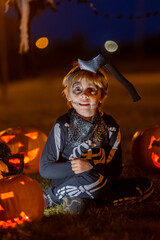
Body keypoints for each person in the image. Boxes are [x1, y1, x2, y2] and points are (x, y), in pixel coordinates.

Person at [39, 60, 153, 213]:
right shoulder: (63, 125)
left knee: (143, 185)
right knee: (97, 183)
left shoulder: (110, 126)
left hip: (99, 177)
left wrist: (91, 166)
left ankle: (80, 202)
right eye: (77, 90)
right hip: (66, 180)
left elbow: (115, 168)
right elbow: (45, 169)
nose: (84, 95)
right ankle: (50, 197)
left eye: (91, 90)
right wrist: (76, 169)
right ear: (68, 95)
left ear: (102, 95)